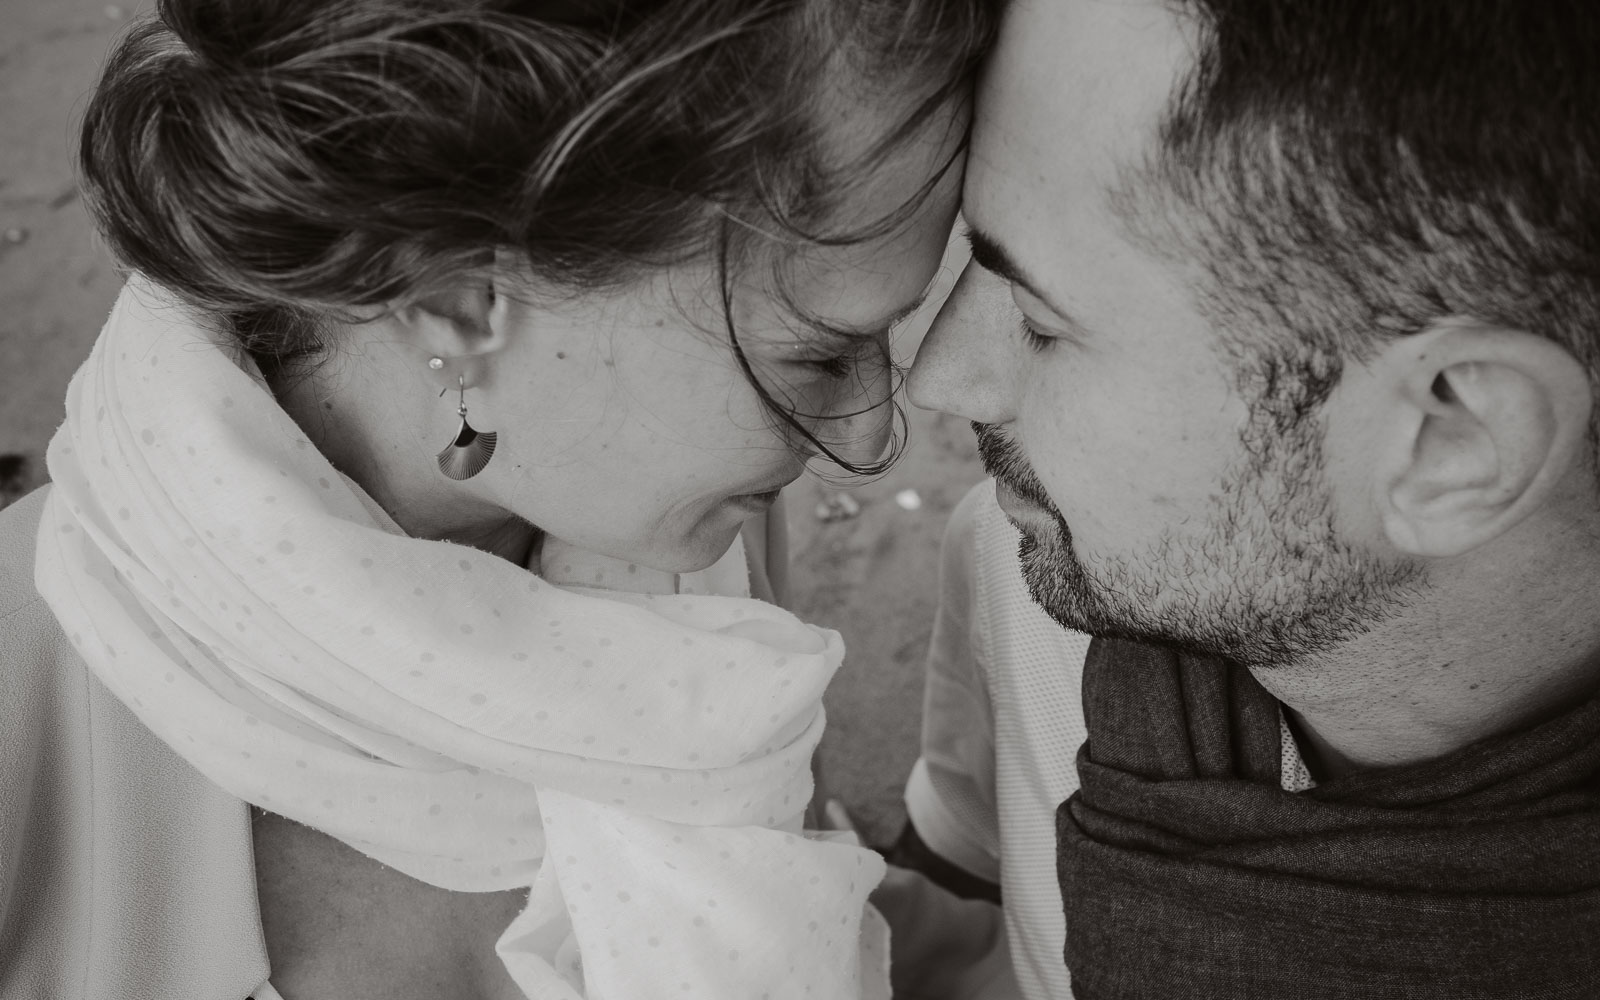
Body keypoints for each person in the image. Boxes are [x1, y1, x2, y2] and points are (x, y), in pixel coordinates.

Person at [0, 0, 993, 997]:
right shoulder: (24, 720)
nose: (872, 432)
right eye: (817, 353)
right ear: (457, 305)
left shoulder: (665, 529)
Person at [896, 0, 1600, 997]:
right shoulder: (1031, 566)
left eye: (1041, 321)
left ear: (1453, 438)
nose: (940, 378)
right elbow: (957, 861)